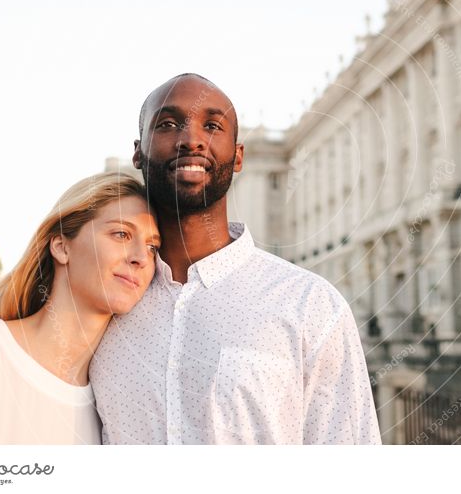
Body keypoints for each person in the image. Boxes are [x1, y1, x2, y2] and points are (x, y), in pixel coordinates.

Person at [90, 73, 381, 444]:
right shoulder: (101, 302)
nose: (191, 139)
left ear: (238, 155)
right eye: (167, 124)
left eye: (212, 126)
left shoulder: (311, 306)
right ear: (138, 151)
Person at [0, 172, 159, 444]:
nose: (141, 257)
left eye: (153, 247)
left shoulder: (111, 411)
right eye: (121, 234)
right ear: (61, 247)